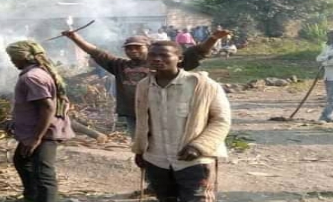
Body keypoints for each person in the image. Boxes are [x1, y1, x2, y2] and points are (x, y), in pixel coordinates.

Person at [132, 41, 231, 202]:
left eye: (164, 55)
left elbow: (221, 120)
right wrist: (140, 150)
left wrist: (198, 146)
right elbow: (142, 121)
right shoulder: (144, 86)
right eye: (153, 55)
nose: (157, 59)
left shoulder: (203, 85)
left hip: (194, 161)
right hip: (157, 159)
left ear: (179, 58)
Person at [62, 30, 230, 136]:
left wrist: (212, 39)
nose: (133, 50)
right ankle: (152, 183)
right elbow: (97, 53)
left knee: (166, 145)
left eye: (138, 47)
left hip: (164, 112)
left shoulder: (164, 64)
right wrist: (75, 38)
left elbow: (196, 53)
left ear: (148, 48)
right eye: (129, 48)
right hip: (133, 113)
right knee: (141, 147)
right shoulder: (120, 66)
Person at [2, 41, 74, 202]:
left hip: (44, 132)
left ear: (24, 57)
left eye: (13, 57)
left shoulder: (32, 77)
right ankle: (31, 198)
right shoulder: (36, 73)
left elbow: (47, 108)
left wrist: (36, 138)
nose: (12, 61)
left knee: (44, 175)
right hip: (34, 130)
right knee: (21, 160)